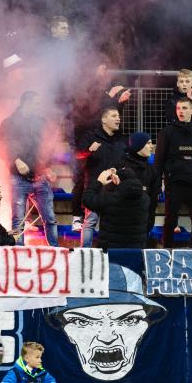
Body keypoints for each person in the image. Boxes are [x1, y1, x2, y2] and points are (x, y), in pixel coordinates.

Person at [70, 60, 131, 232]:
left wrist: (120, 103)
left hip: (100, 138)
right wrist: (110, 98)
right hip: (85, 138)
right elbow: (90, 115)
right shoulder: (85, 89)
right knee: (82, 180)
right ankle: (77, 216)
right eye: (101, 68)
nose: (104, 72)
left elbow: (108, 114)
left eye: (106, 69)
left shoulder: (104, 91)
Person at [0, 92, 59, 247]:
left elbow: (47, 147)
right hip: (18, 178)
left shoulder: (41, 122)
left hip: (40, 177)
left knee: (50, 218)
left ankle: (55, 250)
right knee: (18, 220)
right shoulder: (9, 122)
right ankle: (18, 252)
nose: (40, 107)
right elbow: (3, 147)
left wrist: (47, 167)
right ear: (27, 103)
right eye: (37, 103)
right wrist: (16, 160)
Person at [154, 97, 192, 248]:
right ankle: (167, 250)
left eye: (184, 108)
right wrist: (157, 184)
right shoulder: (167, 132)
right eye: (178, 108)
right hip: (175, 183)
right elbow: (159, 160)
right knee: (170, 220)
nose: (181, 111)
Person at [75, 106, 126, 247]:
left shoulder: (121, 139)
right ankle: (85, 252)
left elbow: (125, 161)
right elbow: (78, 154)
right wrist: (89, 150)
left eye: (118, 116)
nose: (118, 119)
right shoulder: (91, 136)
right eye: (114, 116)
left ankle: (108, 252)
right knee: (90, 221)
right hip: (94, 186)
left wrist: (119, 170)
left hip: (114, 187)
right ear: (104, 119)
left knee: (111, 222)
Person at [82, 166, 149, 249]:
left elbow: (87, 199)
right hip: (136, 250)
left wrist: (99, 182)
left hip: (110, 251)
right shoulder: (145, 198)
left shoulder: (109, 198)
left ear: (117, 180)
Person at [120, 132, 159, 238]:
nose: (152, 146)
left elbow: (153, 200)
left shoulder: (152, 170)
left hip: (143, 225)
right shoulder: (123, 167)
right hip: (123, 225)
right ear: (138, 145)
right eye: (148, 143)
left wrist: (150, 222)